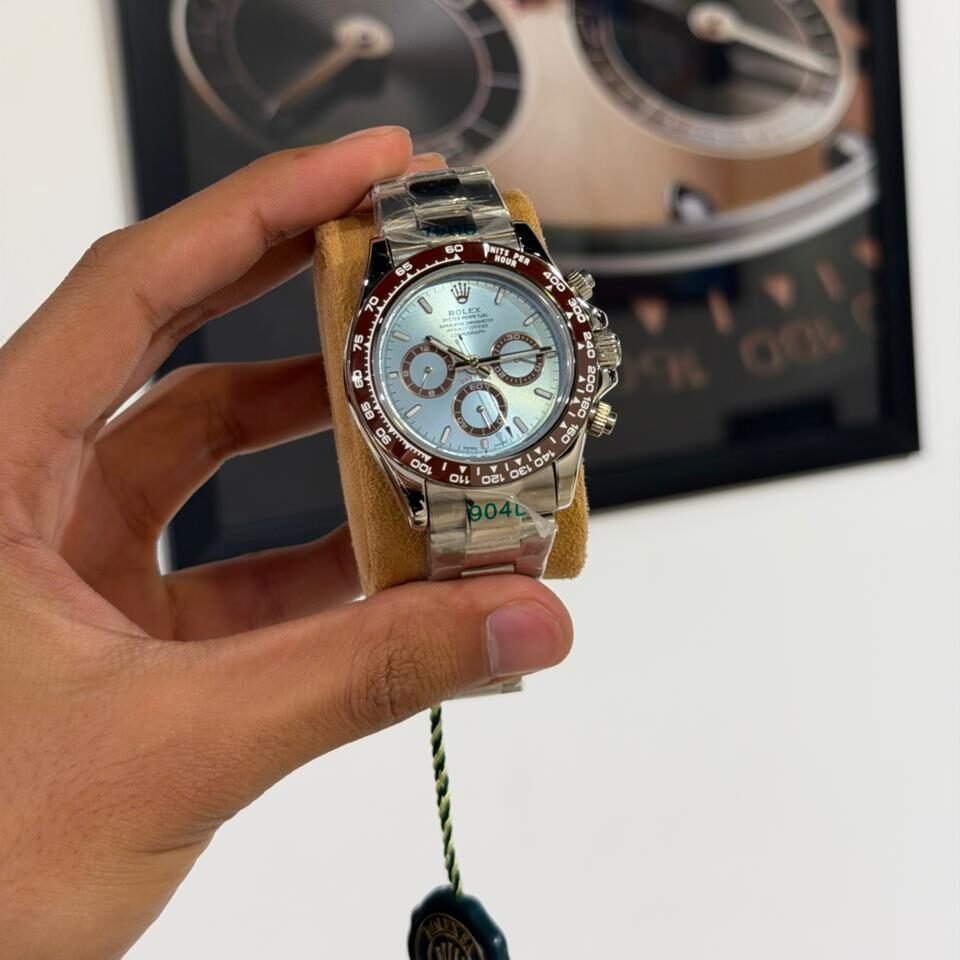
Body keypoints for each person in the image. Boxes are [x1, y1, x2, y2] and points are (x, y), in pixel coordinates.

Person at [0, 127, 572, 958]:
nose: (473, 367)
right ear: (366, 387)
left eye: (490, 352)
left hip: (524, 460)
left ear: (581, 347)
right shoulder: (386, 352)